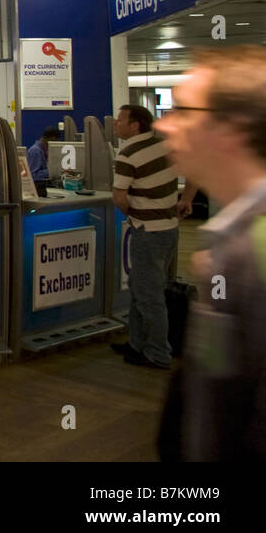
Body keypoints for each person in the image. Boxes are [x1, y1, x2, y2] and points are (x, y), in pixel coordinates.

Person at [155, 46, 266, 461]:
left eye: (184, 111)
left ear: (232, 130)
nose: (165, 125)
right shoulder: (230, 242)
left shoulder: (257, 252)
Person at [110, 104, 179, 369]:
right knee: (141, 289)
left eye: (120, 120)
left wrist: (135, 215)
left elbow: (119, 197)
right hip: (169, 228)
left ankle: (158, 353)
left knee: (149, 296)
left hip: (148, 232)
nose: (116, 124)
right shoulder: (163, 145)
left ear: (135, 125)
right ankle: (137, 343)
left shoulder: (127, 154)